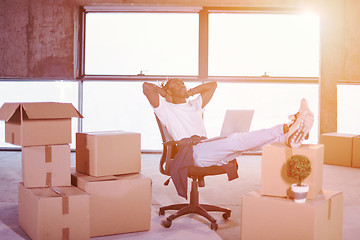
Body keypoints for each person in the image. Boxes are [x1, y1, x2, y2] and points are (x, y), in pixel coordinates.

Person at [143, 78, 314, 167]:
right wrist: (164, 94)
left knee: (243, 144)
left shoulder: (194, 104)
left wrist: (189, 93)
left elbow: (213, 85)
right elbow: (146, 87)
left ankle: (288, 138)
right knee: (235, 140)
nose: (181, 84)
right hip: (191, 153)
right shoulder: (165, 109)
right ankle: (287, 127)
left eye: (182, 82)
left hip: (206, 148)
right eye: (176, 84)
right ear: (168, 90)